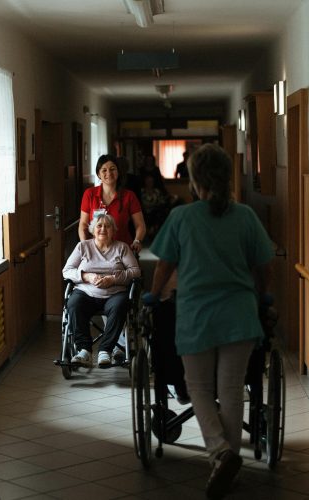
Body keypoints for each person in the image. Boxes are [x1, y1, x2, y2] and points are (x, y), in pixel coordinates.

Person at [143, 143, 273, 498]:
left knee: (198, 387)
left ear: (195, 181)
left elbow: (164, 265)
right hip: (239, 314)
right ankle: (226, 466)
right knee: (231, 390)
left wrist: (153, 295)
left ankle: (220, 453)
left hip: (197, 314)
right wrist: (262, 296)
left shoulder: (182, 217)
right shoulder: (245, 216)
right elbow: (264, 266)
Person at [63, 214, 141, 367]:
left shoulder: (122, 247)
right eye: (99, 225)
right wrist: (87, 276)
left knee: (120, 306)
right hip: (86, 292)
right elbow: (67, 270)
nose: (103, 229)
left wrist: (113, 279)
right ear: (93, 230)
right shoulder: (83, 247)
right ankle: (84, 350)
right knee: (74, 304)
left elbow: (135, 271)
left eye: (107, 226)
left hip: (114, 293)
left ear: (113, 230)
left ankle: (105, 350)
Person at [79, 155, 146, 253]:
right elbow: (83, 224)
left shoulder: (129, 196)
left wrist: (137, 241)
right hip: (95, 251)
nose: (109, 173)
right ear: (98, 174)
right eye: (104, 170)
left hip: (122, 250)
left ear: (118, 172)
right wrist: (84, 245)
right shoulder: (89, 194)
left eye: (112, 169)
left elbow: (140, 224)